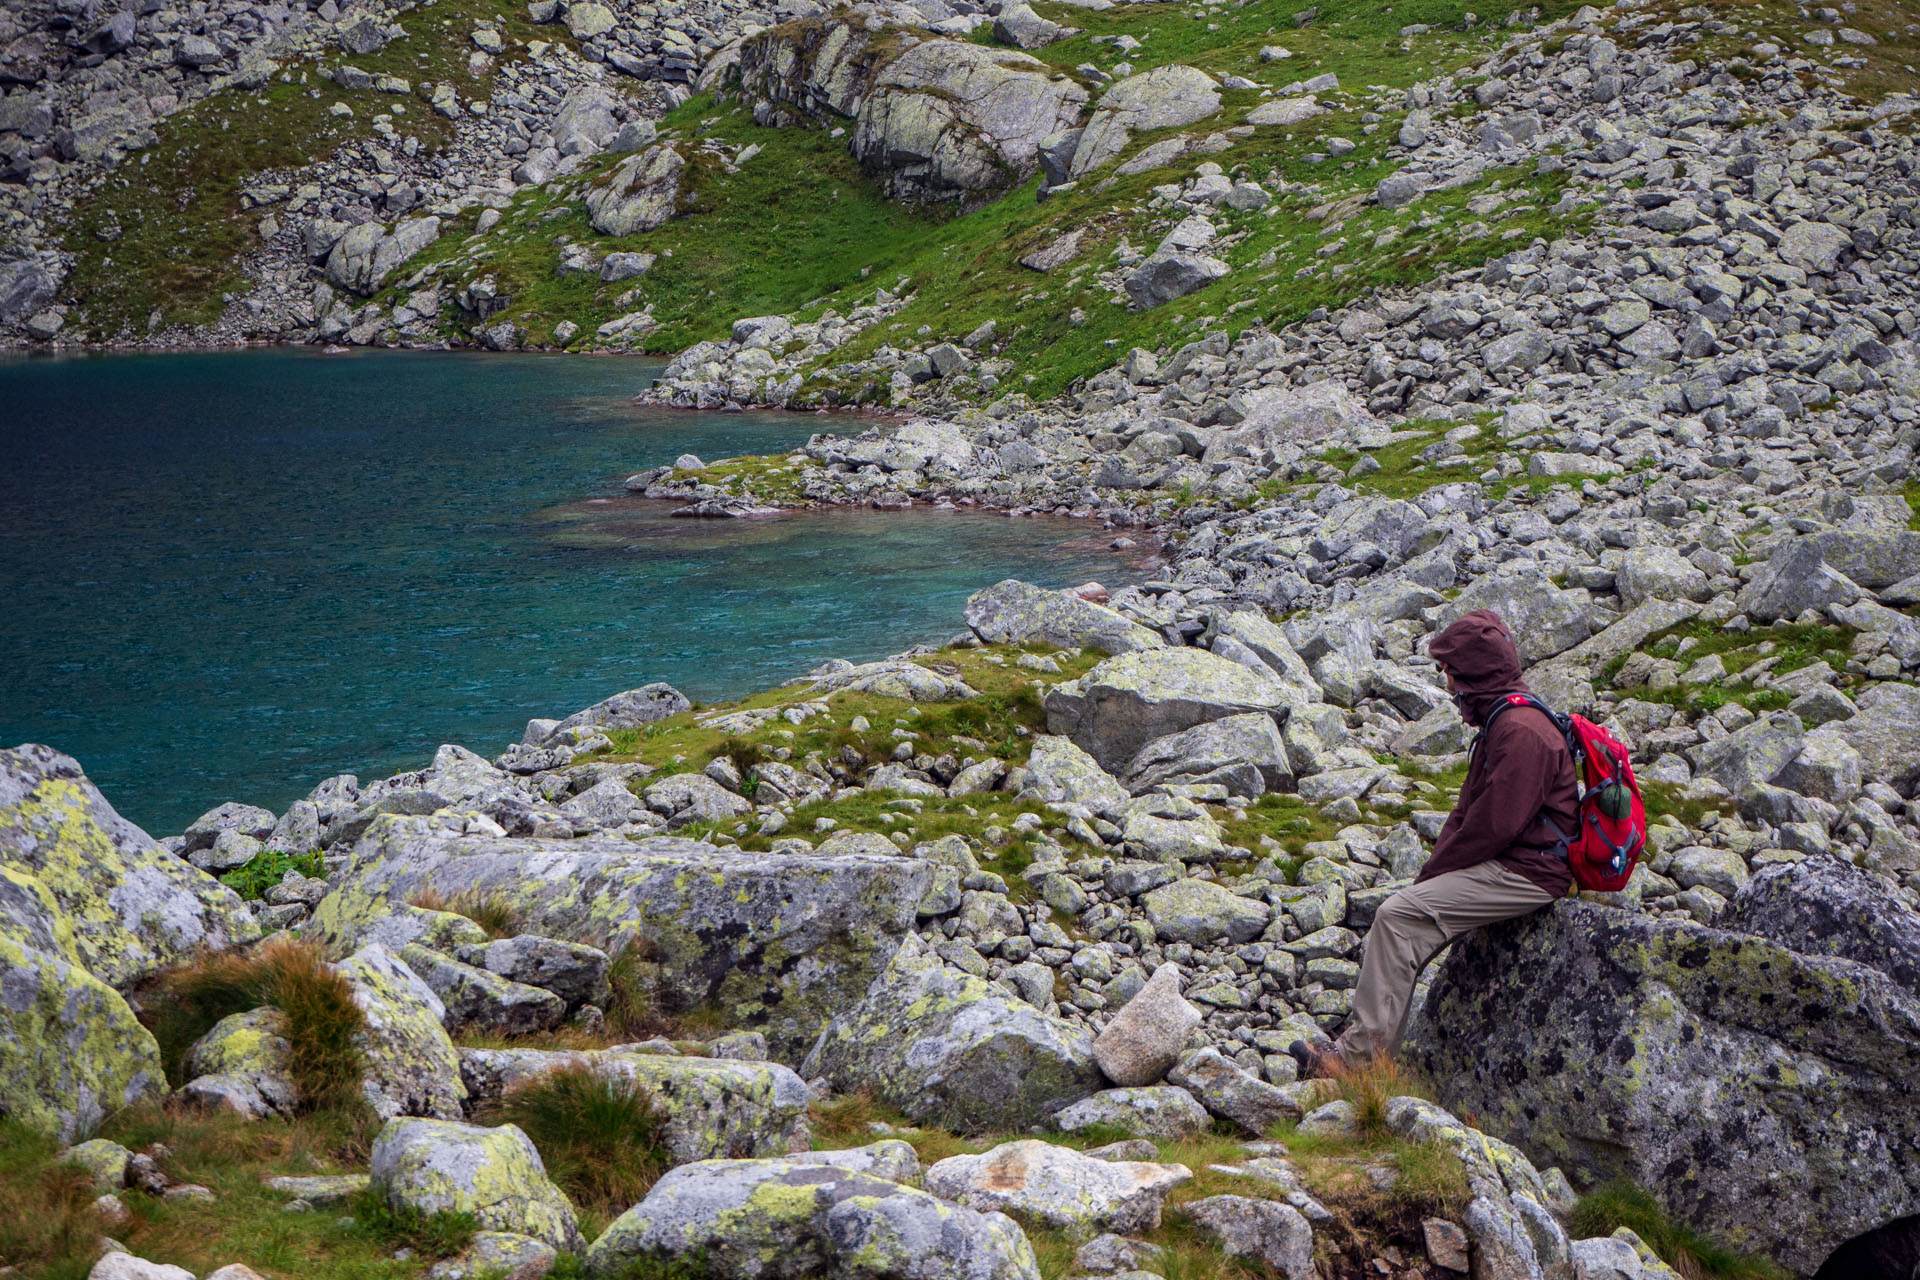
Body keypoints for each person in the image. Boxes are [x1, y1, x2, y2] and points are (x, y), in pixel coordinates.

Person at [1291, 608, 1578, 1076]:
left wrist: (1432, 880)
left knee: (1398, 920)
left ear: (1474, 672)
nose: (1445, 679)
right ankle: (1369, 1052)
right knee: (1408, 909)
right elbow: (1469, 813)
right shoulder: (1505, 718)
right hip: (1520, 861)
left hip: (1530, 872)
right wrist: (1432, 877)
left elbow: (1491, 829)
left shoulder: (1521, 733)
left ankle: (1356, 1064)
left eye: (1449, 669)